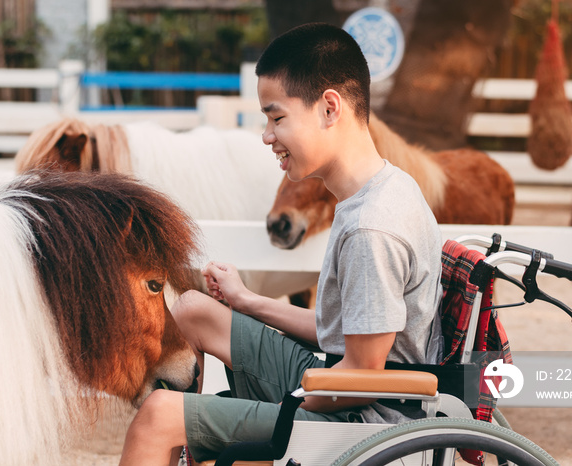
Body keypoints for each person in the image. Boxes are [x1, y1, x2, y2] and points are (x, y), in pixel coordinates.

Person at [119, 22, 443, 465]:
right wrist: (247, 301)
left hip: (366, 424)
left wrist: (280, 407)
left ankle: (181, 431)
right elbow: (347, 338)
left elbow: (364, 375)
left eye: (277, 118)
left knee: (158, 416)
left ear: (330, 108)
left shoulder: (373, 226)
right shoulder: (376, 191)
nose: (267, 136)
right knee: (194, 309)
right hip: (340, 384)